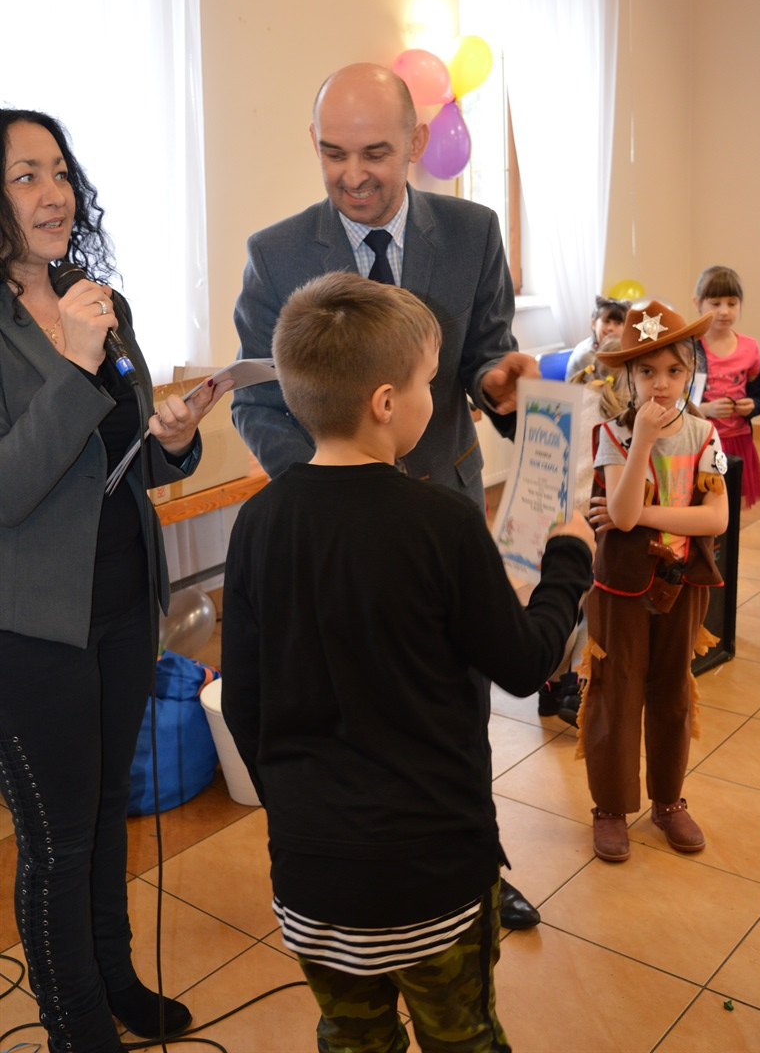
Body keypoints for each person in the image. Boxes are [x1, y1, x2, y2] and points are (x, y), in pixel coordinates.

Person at [221, 271, 595, 1053]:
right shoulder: (442, 523)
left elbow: (245, 703)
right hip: (431, 876)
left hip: (312, 877)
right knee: (462, 1037)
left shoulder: (256, 523)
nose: (436, 395)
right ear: (386, 403)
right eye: (429, 381)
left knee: (352, 1038)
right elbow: (524, 662)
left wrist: (300, 816)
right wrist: (567, 562)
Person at [232, 61, 541, 929]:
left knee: (456, 705)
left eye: (374, 153)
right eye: (332, 153)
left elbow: (485, 354)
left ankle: (475, 864)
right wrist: (338, 483)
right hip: (329, 528)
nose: (352, 175)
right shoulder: (274, 255)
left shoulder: (473, 232)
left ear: (415, 142)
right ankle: (342, 871)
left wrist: (497, 381)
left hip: (443, 508)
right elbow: (257, 400)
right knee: (349, 703)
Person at [0, 109, 232, 1053]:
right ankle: (76, 1027)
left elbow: (127, 456)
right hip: (31, 629)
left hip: (127, 601)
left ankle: (113, 976)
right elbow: (8, 488)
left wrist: (173, 439)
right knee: (56, 840)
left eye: (60, 172)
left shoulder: (100, 303)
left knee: (106, 811)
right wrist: (69, 364)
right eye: (25, 176)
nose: (54, 193)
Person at [575, 301, 729, 863]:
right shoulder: (613, 436)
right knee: (616, 692)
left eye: (672, 370)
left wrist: (641, 515)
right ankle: (611, 807)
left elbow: (716, 519)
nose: (660, 384)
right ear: (628, 377)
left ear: (690, 372)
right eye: (646, 371)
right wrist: (641, 441)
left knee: (672, 693)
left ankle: (668, 800)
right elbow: (617, 513)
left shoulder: (706, 435)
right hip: (621, 588)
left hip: (681, 583)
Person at [538, 341, 630, 726]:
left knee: (562, 601)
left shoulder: (567, 401)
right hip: (595, 520)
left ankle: (549, 685)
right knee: (594, 604)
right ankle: (577, 684)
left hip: (550, 515)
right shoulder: (621, 416)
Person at [692, 265, 760, 507]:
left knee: (731, 504)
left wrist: (752, 405)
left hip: (738, 440)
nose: (724, 311)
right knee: (701, 502)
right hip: (702, 441)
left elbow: (758, 394)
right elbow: (677, 401)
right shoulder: (689, 349)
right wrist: (706, 409)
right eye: (715, 303)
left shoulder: (750, 348)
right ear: (697, 303)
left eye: (732, 303)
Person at [564, 295, 631, 382]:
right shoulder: (586, 354)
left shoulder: (621, 348)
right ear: (593, 324)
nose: (611, 328)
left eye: (617, 323)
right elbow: (606, 386)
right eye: (606, 321)